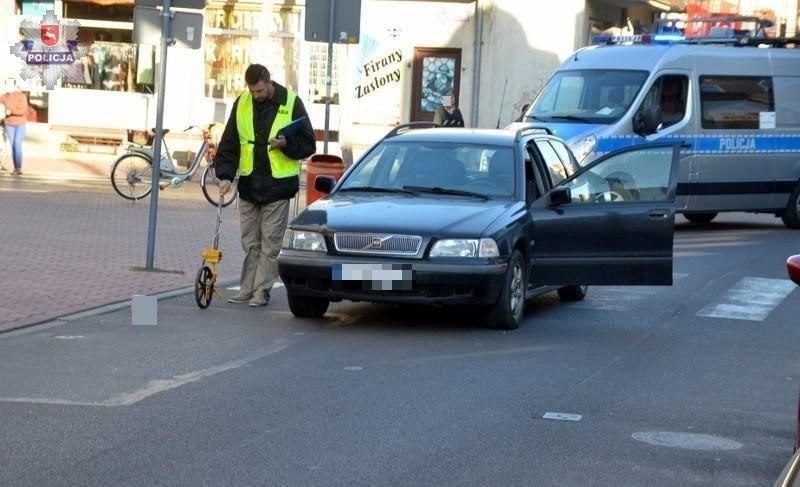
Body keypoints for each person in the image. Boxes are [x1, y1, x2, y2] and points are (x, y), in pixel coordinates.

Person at [214, 64, 316, 307]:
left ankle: (261, 292)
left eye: (260, 90)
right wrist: (225, 175)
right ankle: (246, 289)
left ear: (270, 83)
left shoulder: (292, 103)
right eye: (252, 91)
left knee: (269, 244)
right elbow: (230, 142)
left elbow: (308, 144)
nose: (256, 95)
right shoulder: (242, 103)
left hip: (278, 187)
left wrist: (286, 144)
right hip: (249, 185)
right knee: (250, 243)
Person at [0, 78, 29, 176]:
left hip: (20, 123)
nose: (8, 86)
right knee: (12, 145)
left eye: (10, 84)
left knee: (17, 143)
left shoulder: (21, 96)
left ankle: (18, 167)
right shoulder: (4, 97)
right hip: (8, 124)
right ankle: (16, 168)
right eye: (6, 84)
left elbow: (23, 110)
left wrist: (11, 112)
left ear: (14, 86)